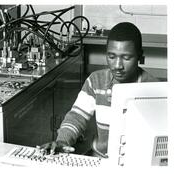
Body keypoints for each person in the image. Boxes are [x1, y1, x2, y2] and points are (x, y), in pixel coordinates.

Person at [39, 22, 159, 158]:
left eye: (126, 58)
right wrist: (62, 141)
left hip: (136, 163)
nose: (118, 65)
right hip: (99, 158)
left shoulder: (153, 88)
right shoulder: (96, 80)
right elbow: (77, 117)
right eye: (112, 57)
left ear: (140, 56)